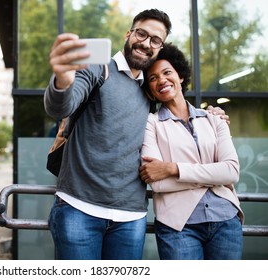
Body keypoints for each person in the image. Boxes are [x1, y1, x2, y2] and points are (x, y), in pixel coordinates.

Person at [44, 9, 227, 260]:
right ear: (129, 33)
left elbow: (178, 111)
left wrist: (212, 113)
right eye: (142, 33)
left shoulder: (150, 89)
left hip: (130, 218)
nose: (146, 43)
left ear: (159, 47)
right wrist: (62, 80)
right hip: (78, 208)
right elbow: (60, 107)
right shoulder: (99, 68)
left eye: (155, 40)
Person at [139, 43, 244, 260]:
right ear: (150, 89)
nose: (161, 80)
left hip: (226, 219)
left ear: (180, 76)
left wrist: (172, 168)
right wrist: (214, 177)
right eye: (153, 78)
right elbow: (157, 181)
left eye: (167, 72)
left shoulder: (214, 118)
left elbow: (231, 172)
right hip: (178, 226)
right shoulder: (151, 123)